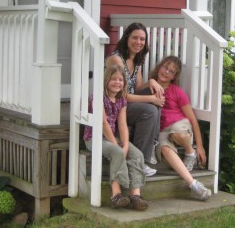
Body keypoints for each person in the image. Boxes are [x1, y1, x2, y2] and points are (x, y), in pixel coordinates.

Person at [82, 65, 149, 210]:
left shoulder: (121, 100)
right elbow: (103, 123)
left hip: (113, 136)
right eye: (113, 79)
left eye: (120, 80)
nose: (117, 82)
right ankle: (116, 196)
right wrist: (117, 146)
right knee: (117, 152)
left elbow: (123, 125)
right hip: (95, 138)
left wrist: (125, 145)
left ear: (124, 83)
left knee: (137, 154)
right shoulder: (98, 98)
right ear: (106, 80)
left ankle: (135, 196)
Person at [105, 22, 165, 177]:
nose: (139, 42)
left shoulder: (136, 59)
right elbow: (122, 94)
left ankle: (152, 143)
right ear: (127, 38)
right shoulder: (116, 59)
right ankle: (139, 161)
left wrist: (152, 82)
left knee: (156, 94)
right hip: (115, 104)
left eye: (142, 39)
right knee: (151, 109)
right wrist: (151, 99)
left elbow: (138, 87)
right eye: (135, 38)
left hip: (128, 103)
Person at [150, 56, 212, 201]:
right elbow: (139, 89)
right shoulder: (150, 88)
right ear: (159, 67)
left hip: (180, 126)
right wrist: (152, 81)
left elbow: (193, 120)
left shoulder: (177, 91)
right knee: (164, 148)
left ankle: (190, 153)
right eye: (165, 67)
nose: (166, 72)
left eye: (171, 72)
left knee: (178, 132)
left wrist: (200, 147)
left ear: (174, 76)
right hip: (162, 130)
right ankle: (194, 185)